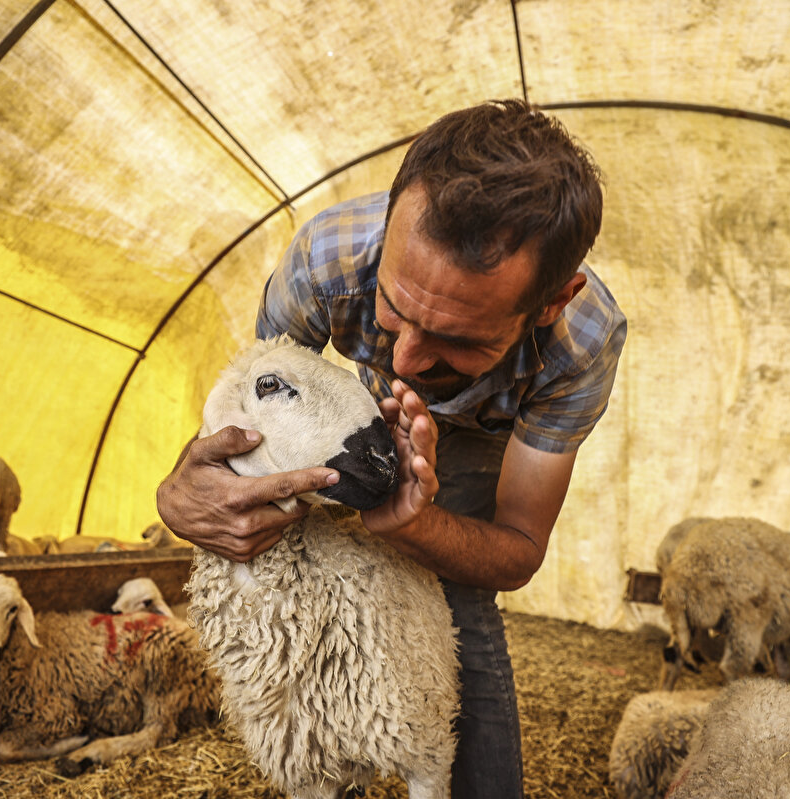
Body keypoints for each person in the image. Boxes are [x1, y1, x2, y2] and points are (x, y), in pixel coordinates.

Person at [156, 98, 627, 798]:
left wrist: (418, 522)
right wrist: (179, 490)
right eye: (395, 308)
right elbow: (254, 398)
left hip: (487, 444)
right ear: (389, 227)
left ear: (552, 302)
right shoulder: (327, 257)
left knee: (461, 602)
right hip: (354, 420)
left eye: (459, 337)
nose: (406, 357)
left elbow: (519, 546)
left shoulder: (580, 343)